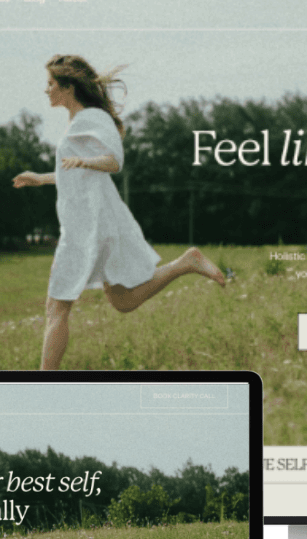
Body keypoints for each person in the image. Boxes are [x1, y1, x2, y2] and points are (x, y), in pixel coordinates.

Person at [12, 55, 228, 370]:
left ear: (68, 87)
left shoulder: (92, 118)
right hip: (91, 225)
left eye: (50, 84)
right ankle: (185, 263)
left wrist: (86, 161)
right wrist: (42, 179)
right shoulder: (79, 121)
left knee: (56, 309)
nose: (45, 90)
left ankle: (44, 386)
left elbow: (114, 161)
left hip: (88, 229)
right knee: (123, 301)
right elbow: (77, 174)